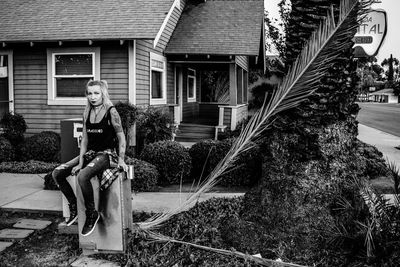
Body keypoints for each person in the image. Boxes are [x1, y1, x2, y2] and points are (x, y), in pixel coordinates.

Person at [52, 80, 127, 236]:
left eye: (96, 93)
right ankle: (74, 208)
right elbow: (85, 139)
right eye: (90, 93)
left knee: (83, 176)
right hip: (91, 153)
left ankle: (92, 213)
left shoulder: (111, 111)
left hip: (107, 154)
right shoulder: (86, 111)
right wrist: (80, 162)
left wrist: (121, 159)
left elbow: (121, 137)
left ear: (103, 93)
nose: (93, 97)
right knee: (57, 173)